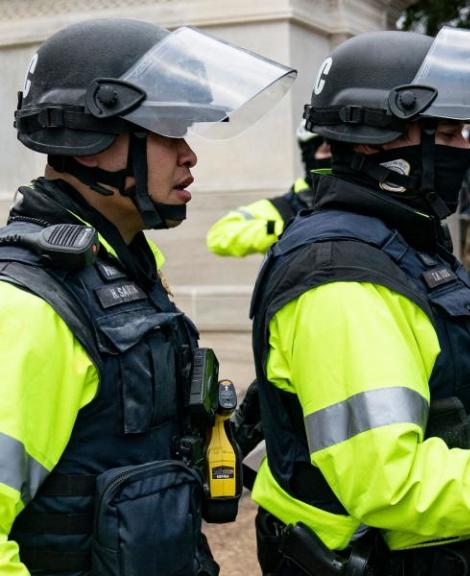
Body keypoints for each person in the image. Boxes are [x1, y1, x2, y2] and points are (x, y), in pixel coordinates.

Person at [247, 28, 470, 576]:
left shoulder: (401, 241)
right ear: (374, 142)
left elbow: (444, 379)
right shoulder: (345, 282)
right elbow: (386, 480)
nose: (463, 149)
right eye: (444, 131)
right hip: (359, 556)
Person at [0, 18, 293, 575]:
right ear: (91, 143)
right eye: (168, 131)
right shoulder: (27, 306)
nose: (189, 155)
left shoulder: (125, 266)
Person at [206, 123, 331, 257]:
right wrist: (285, 229)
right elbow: (218, 236)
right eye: (328, 150)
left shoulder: (356, 201)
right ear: (308, 154)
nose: (338, 158)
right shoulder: (283, 208)